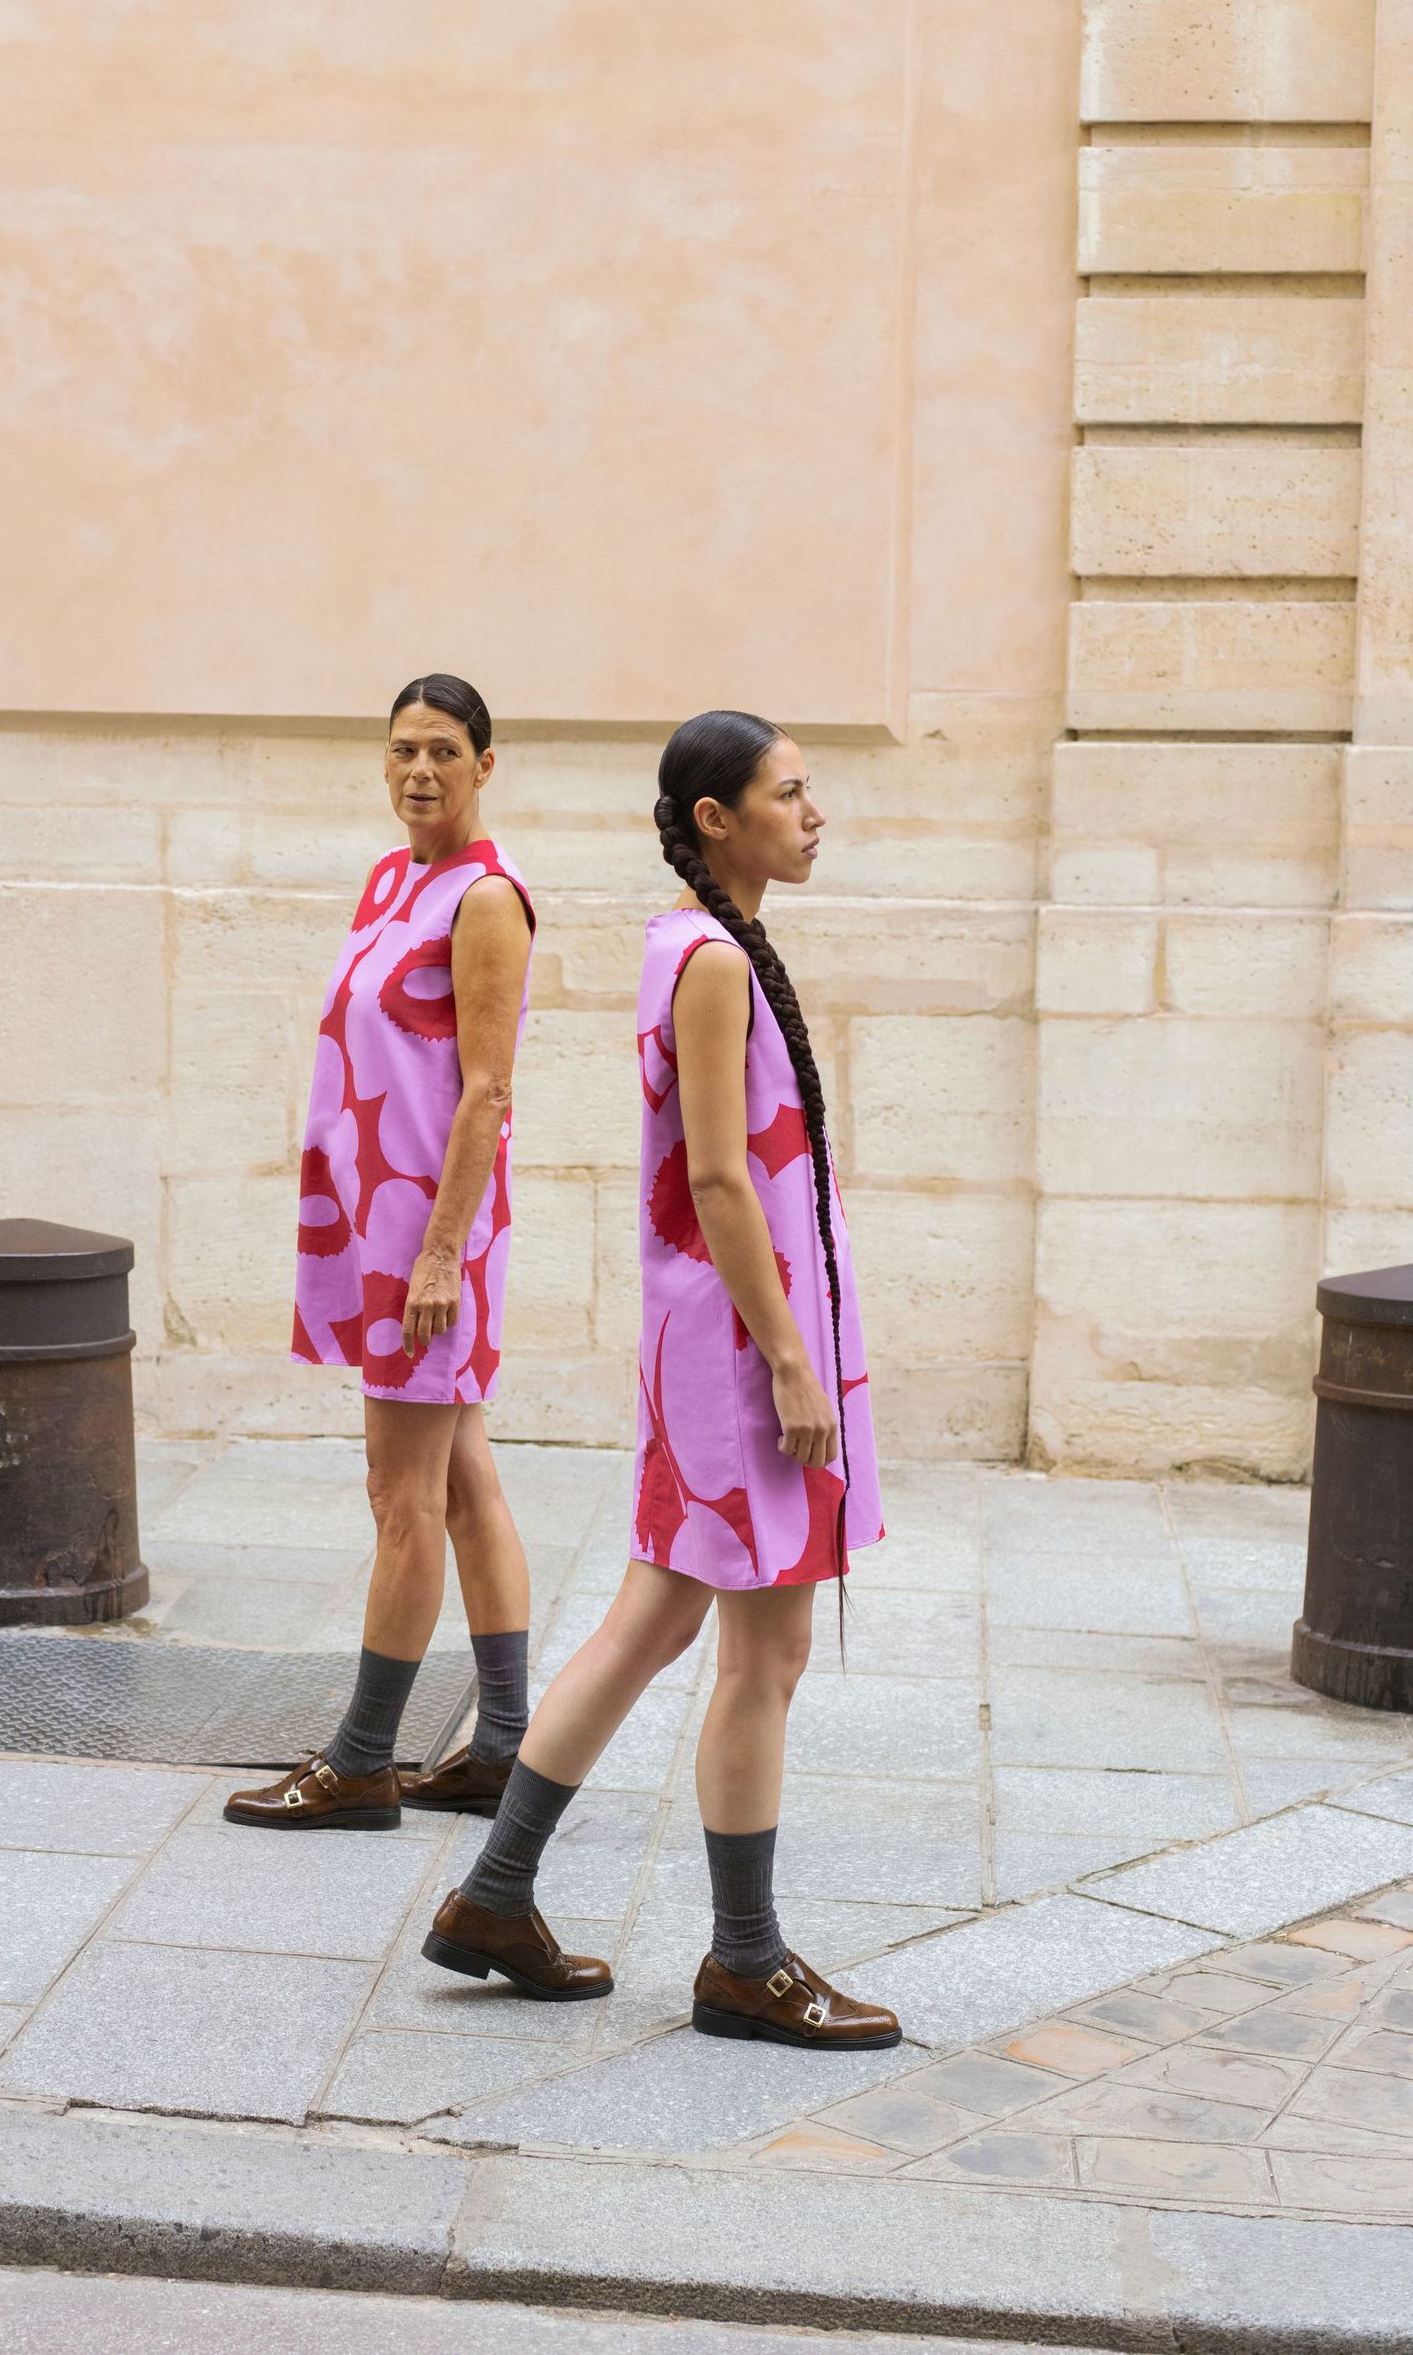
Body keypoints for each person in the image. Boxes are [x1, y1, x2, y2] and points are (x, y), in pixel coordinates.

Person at [420, 709, 901, 2049]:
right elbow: (715, 1175)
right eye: (789, 793)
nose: (814, 813)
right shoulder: (710, 962)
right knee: (759, 1646)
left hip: (728, 1339)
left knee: (665, 1622)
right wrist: (795, 1361)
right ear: (715, 819)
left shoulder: (706, 945)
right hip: (743, 1351)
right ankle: (740, 1962)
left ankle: (497, 1894)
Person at [225, 675, 539, 1832]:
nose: (420, 770)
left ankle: (361, 1761)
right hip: (379, 1223)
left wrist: (442, 1253)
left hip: (427, 1237)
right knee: (461, 1479)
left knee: (396, 1492)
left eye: (444, 751)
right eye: (403, 749)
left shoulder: (487, 901)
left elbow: (486, 1088)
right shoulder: (389, 876)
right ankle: (504, 1747)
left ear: (484, 765)